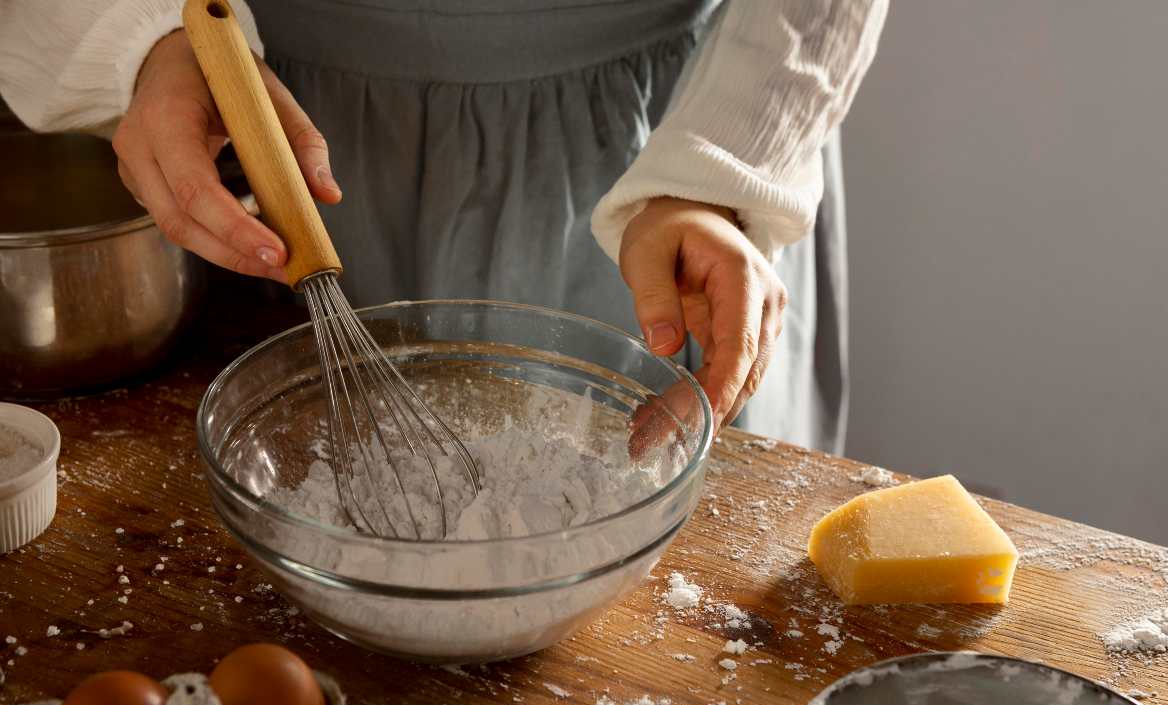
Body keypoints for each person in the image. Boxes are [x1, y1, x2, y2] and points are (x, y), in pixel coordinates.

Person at [0, 0, 887, 452]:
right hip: (264, 125)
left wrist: (721, 167)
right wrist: (140, 38)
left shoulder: (696, 173)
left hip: (662, 151)